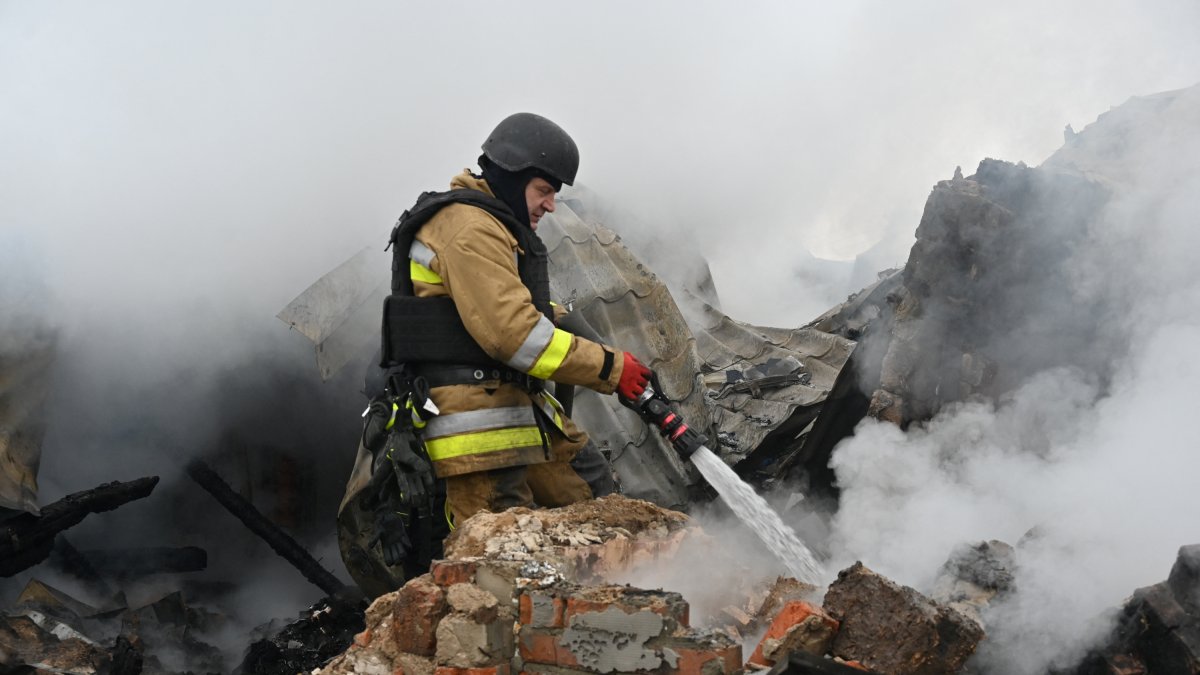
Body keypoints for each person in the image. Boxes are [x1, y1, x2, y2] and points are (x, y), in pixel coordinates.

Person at [379, 112, 652, 527]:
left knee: (599, 500)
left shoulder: (492, 225)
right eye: (543, 190)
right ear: (510, 174)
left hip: (514, 406)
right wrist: (611, 369)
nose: (551, 205)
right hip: (478, 428)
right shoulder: (468, 229)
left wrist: (584, 336)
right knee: (502, 552)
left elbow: (517, 308)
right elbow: (515, 335)